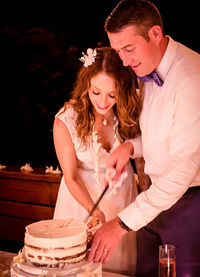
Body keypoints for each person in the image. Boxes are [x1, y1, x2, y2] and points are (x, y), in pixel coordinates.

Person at [88, 1, 200, 276]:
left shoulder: (191, 78)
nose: (124, 61)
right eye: (118, 51)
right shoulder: (146, 68)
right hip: (152, 201)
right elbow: (159, 137)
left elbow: (184, 167)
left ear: (155, 34)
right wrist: (129, 147)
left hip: (190, 205)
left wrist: (121, 224)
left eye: (128, 49)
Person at [53, 46, 150, 275]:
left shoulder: (129, 110)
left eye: (112, 94)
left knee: (120, 268)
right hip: (80, 203)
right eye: (96, 92)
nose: (103, 102)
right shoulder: (65, 120)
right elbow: (71, 176)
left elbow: (141, 158)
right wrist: (94, 212)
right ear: (86, 84)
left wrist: (145, 194)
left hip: (123, 203)